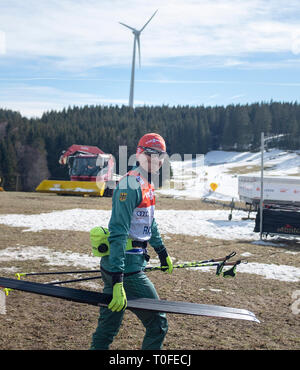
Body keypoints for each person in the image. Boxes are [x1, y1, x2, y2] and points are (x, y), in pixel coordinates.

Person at [90, 133, 173, 350]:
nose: (157, 160)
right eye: (152, 154)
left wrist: (161, 251)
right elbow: (118, 232)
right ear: (140, 154)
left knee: (107, 329)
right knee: (158, 324)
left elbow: (149, 221)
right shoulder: (130, 184)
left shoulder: (146, 184)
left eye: (161, 155)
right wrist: (118, 280)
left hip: (125, 265)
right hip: (127, 269)